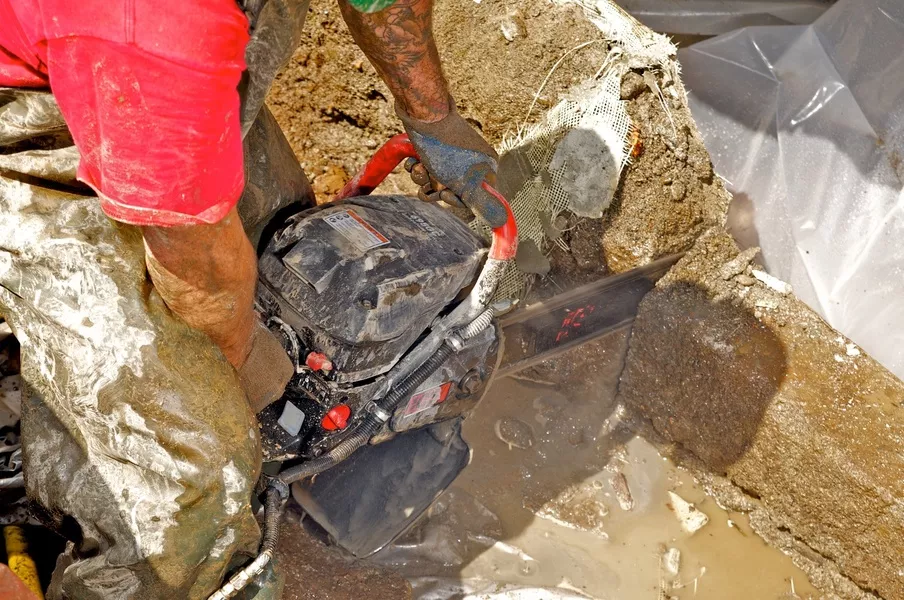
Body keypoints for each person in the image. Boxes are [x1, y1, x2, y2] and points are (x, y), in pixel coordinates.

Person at [0, 0, 502, 597]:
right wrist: (240, 364)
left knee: (278, 239)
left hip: (176, 76)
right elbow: (197, 263)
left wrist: (432, 116)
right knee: (183, 501)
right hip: (43, 124)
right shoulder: (155, 25)